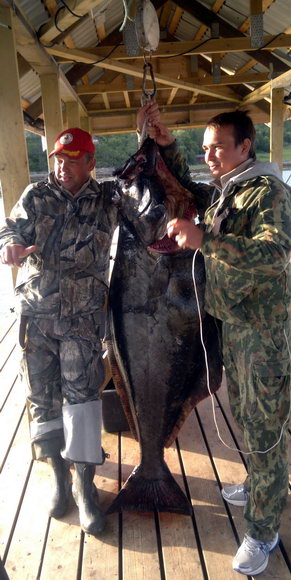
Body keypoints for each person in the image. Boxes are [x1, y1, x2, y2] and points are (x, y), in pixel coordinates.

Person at [137, 103, 291, 576]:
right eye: (206, 148)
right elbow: (195, 189)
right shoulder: (229, 190)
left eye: (219, 147)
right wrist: (167, 146)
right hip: (234, 325)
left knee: (266, 431)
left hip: (263, 333)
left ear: (246, 146)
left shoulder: (267, 192)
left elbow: (277, 254)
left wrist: (204, 240)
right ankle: (260, 481)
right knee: (245, 413)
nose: (211, 156)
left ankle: (263, 530)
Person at [0, 127, 143, 537]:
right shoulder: (36, 196)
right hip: (37, 318)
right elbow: (9, 229)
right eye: (59, 159)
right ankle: (58, 481)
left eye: (73, 159)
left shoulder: (108, 199)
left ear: (91, 162)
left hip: (82, 324)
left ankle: (84, 487)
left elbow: (148, 195)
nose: (63, 167)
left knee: (82, 406)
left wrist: (147, 134)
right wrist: (9, 245)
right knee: (41, 402)